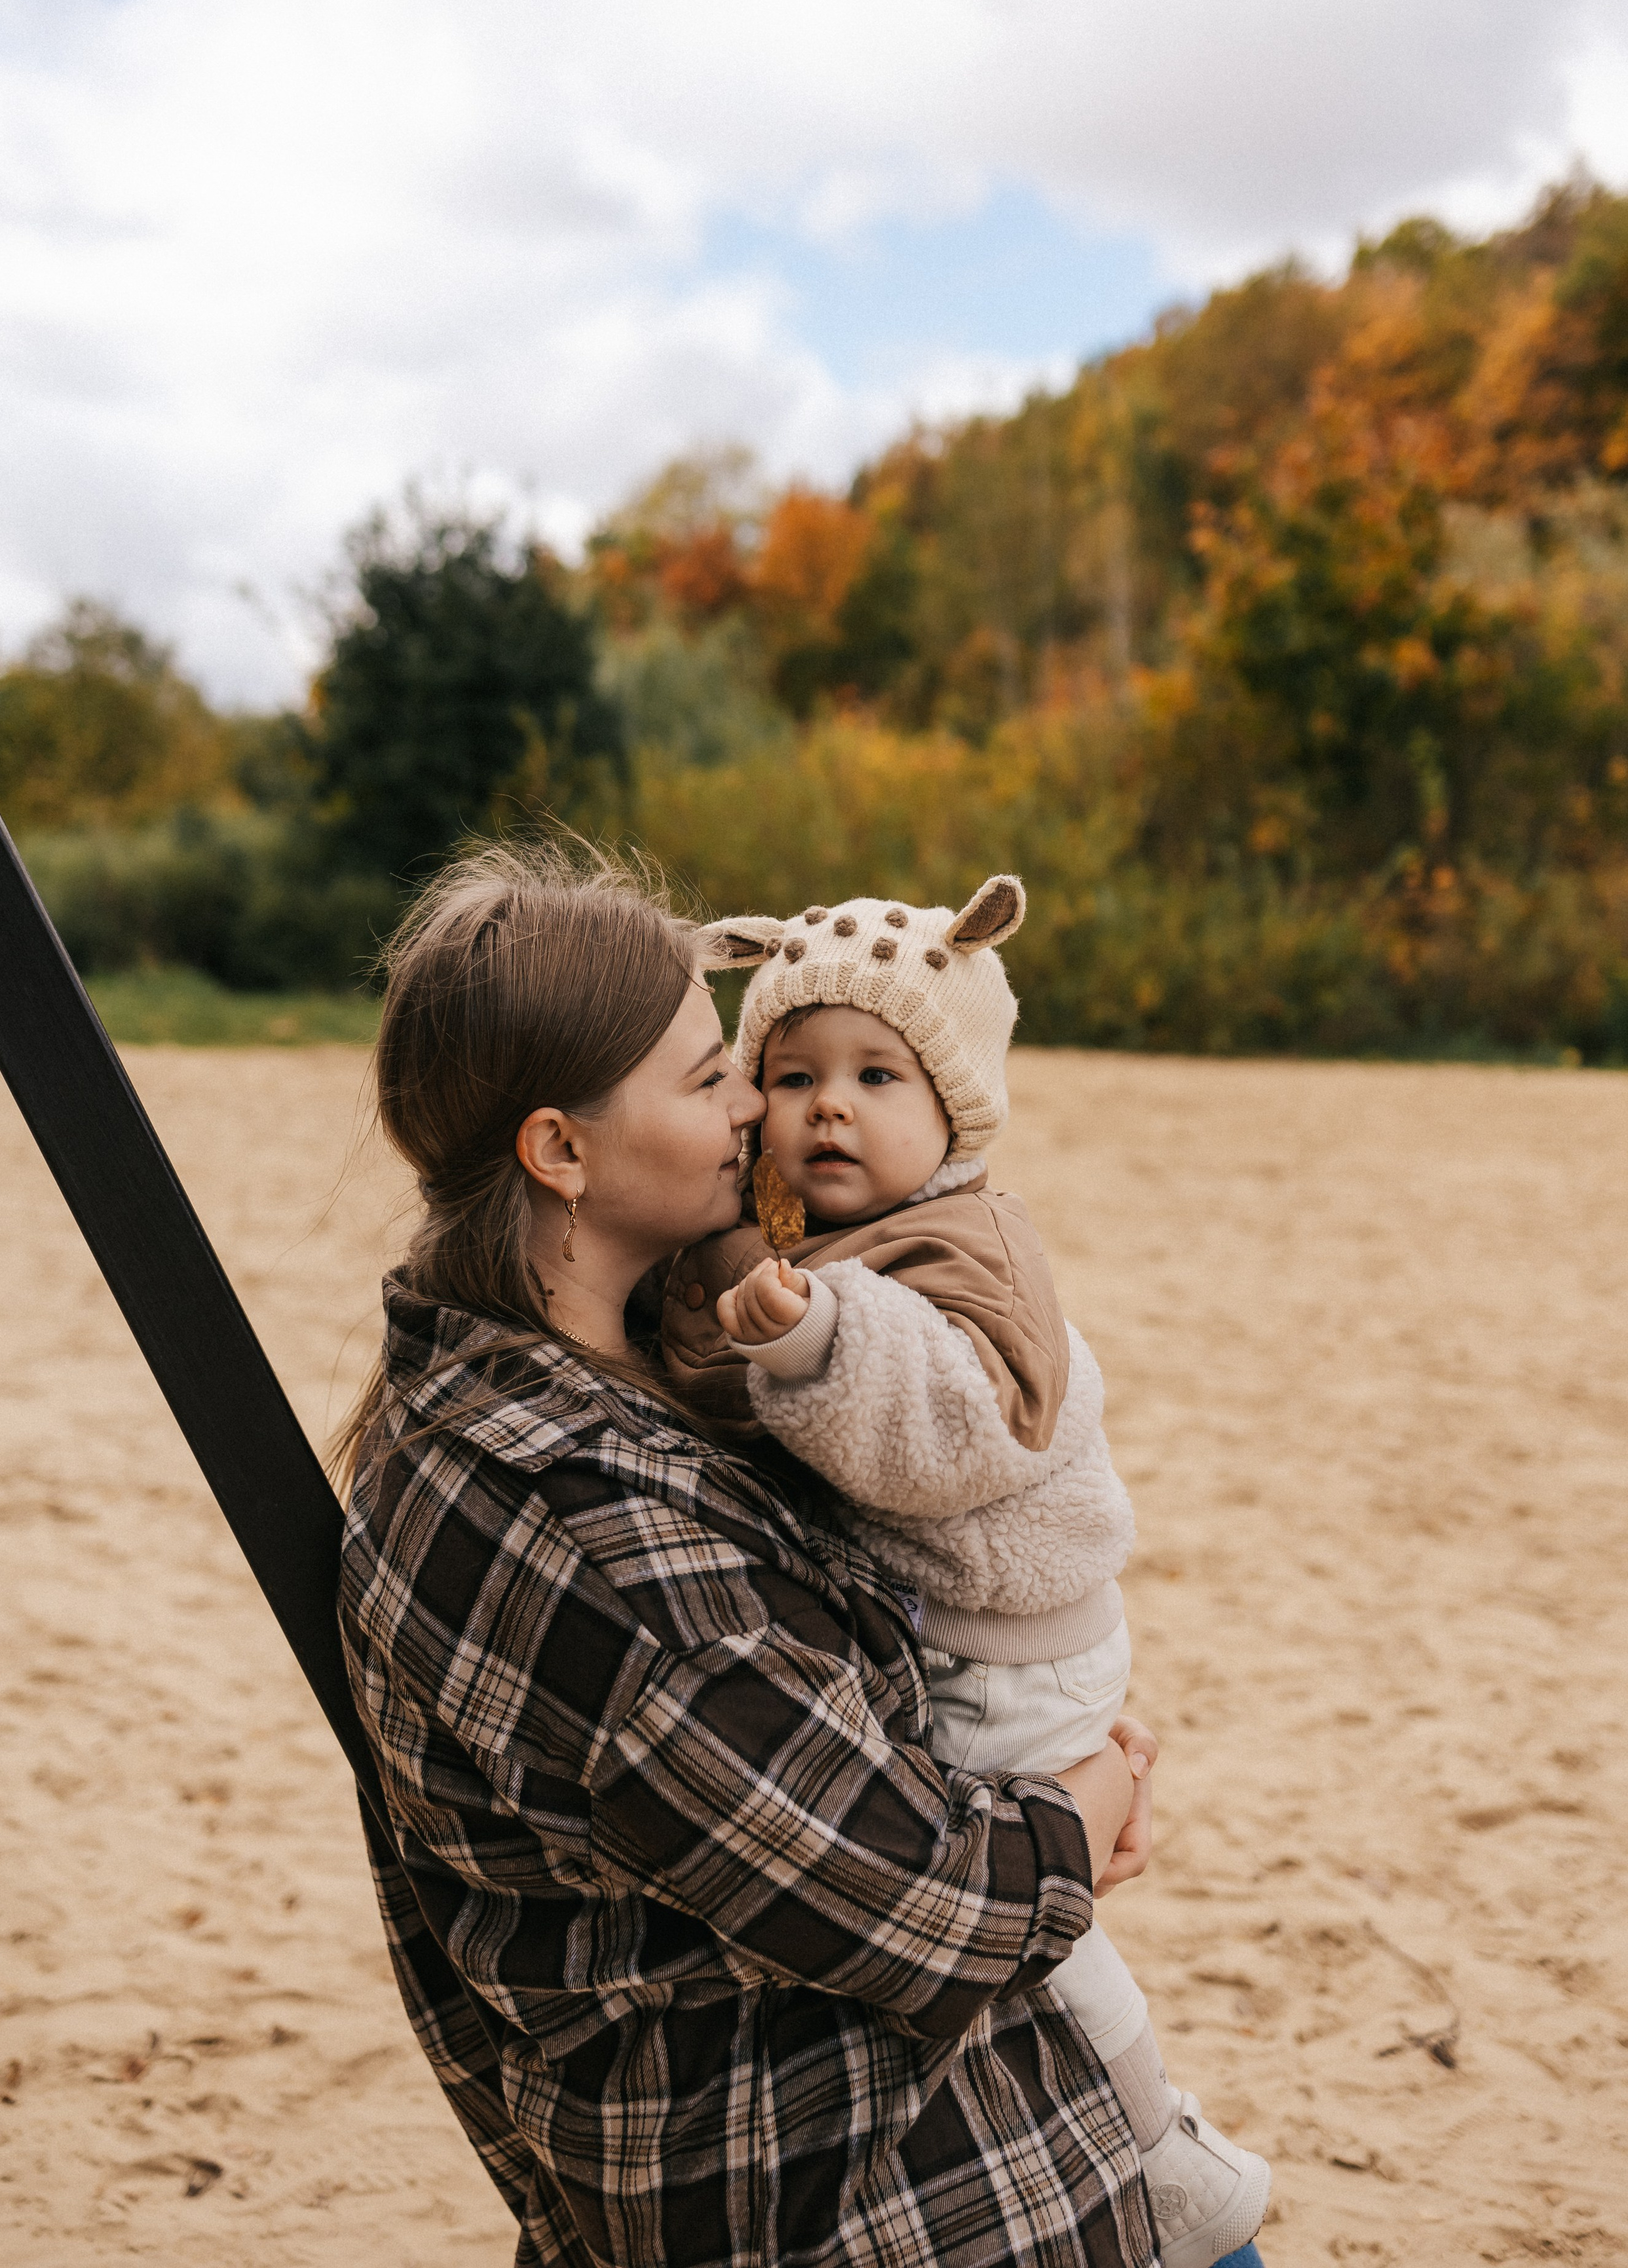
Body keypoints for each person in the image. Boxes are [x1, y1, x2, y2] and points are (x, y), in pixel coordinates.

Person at [335, 843, 1186, 2268]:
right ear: (560, 1151)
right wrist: (1094, 1794)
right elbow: (926, 1907)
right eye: (708, 1076)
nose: (758, 1104)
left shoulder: (550, 1383)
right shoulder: (579, 1524)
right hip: (877, 2205)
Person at [660, 878, 1270, 2268]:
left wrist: (822, 1340)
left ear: (953, 1108)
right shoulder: (811, 1242)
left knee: (1035, 1952)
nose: (831, 1107)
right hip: (960, 1641)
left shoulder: (967, 1248)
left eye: (877, 1075)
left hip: (1009, 1655)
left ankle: (1153, 2151)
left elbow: (959, 1423)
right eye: (793, 1074)